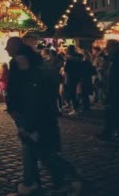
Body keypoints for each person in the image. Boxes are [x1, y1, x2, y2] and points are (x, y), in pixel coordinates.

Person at [5, 37, 83, 195]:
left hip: (33, 117)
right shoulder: (29, 72)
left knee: (43, 152)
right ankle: (33, 182)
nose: (6, 49)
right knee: (33, 150)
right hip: (29, 115)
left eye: (9, 46)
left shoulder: (32, 77)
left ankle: (66, 177)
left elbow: (27, 97)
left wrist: (20, 115)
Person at [63, 45, 84, 114]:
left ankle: (75, 108)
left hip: (70, 76)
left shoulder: (68, 59)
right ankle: (77, 107)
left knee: (71, 92)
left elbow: (66, 69)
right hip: (78, 76)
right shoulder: (80, 57)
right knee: (77, 92)